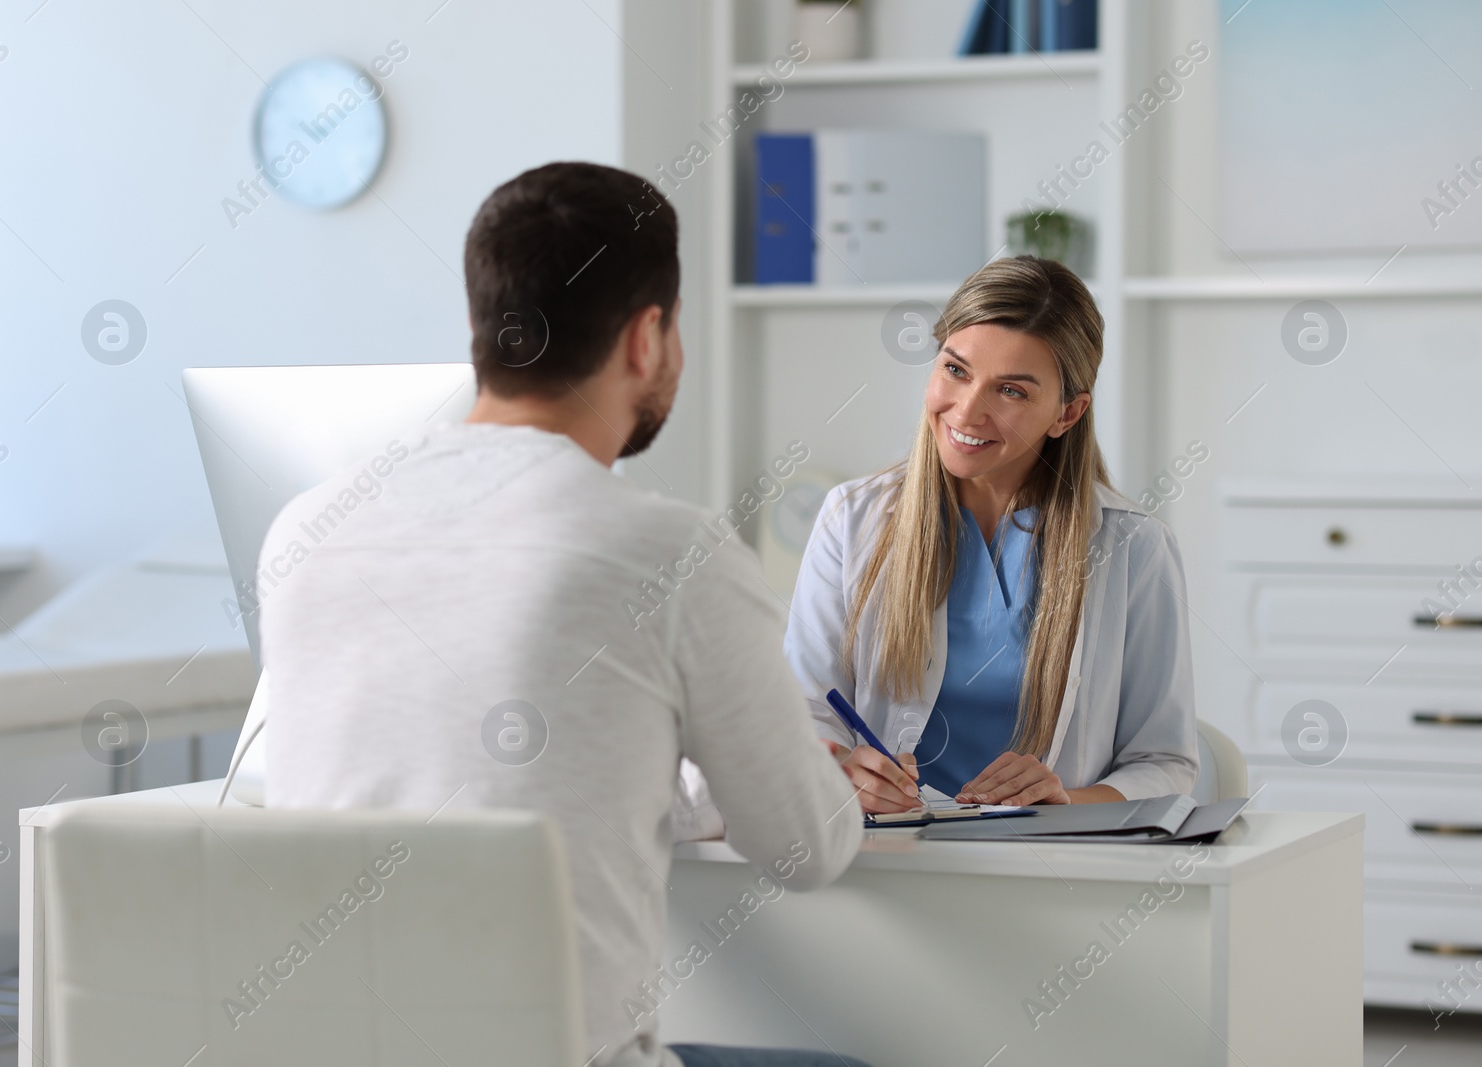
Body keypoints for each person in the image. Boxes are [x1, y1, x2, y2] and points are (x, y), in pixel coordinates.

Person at [258, 161, 871, 1067]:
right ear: (646, 339)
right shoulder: (668, 552)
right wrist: (822, 784)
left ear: (482, 327)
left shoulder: (305, 528)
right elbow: (805, 849)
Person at [786, 256, 1198, 814]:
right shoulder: (852, 519)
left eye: (1011, 391)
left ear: (1067, 414)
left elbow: (1166, 764)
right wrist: (837, 770)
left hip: (1049, 871)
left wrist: (1066, 800)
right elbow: (804, 715)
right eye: (955, 370)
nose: (967, 411)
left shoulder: (1133, 546)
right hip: (889, 859)